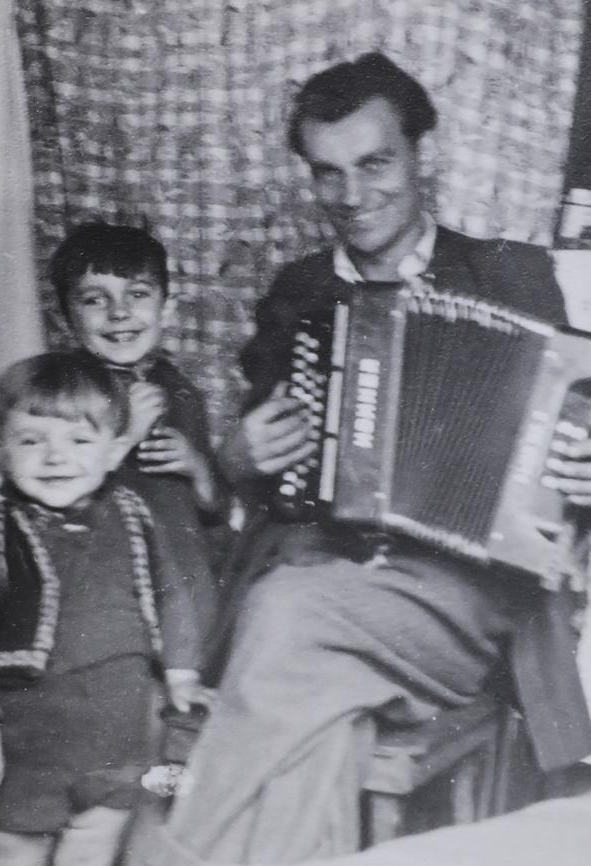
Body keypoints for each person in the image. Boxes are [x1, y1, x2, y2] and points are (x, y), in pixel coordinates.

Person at [125, 52, 591, 866]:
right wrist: (236, 458)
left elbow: (571, 435)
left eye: (375, 163)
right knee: (316, 718)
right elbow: (262, 469)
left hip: (460, 596)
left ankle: (165, 854)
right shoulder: (298, 292)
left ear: (422, 157)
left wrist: (585, 465)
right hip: (320, 567)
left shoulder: (509, 275)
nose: (352, 196)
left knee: (285, 613)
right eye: (327, 173)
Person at [0, 353, 211, 866]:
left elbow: (172, 594)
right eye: (31, 440)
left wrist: (181, 675)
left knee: (92, 849)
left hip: (119, 742)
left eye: (79, 441)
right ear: (1, 453)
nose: (55, 457)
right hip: (29, 750)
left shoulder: (135, 515)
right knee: (14, 851)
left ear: (114, 452)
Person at [49, 223, 222, 702]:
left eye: (138, 294)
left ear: (167, 307)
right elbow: (48, 493)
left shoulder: (181, 391)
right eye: (94, 299)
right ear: (65, 317)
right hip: (100, 587)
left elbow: (213, 508)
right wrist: (124, 438)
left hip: (184, 587)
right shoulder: (63, 391)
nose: (120, 313)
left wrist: (197, 467)